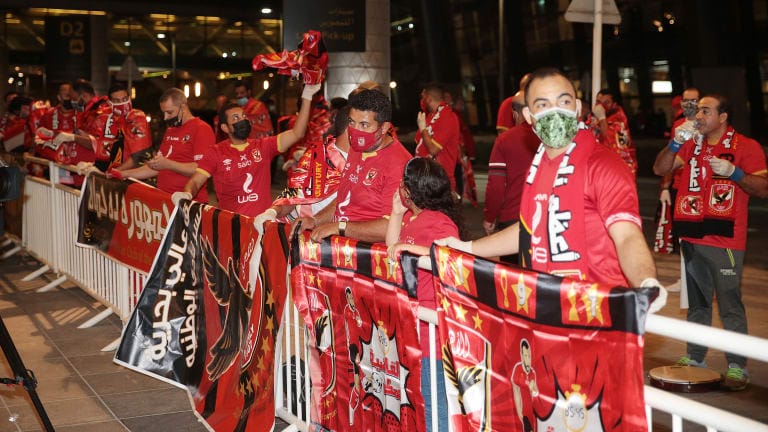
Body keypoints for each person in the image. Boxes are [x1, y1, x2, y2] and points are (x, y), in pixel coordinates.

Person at [438, 68, 665, 307]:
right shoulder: (540, 167)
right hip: (551, 308)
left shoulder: (603, 164)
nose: (555, 112)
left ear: (577, 108)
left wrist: (646, 282)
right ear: (528, 115)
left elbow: (627, 234)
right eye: (543, 105)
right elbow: (531, 229)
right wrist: (466, 247)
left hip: (596, 312)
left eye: (563, 101)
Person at [652, 94, 768, 391]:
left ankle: (737, 366)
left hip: (726, 238)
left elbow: (763, 188)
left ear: (723, 117)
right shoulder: (691, 143)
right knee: (698, 304)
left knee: (730, 304)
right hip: (691, 234)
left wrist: (735, 173)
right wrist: (675, 143)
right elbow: (660, 169)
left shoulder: (746, 146)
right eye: (698, 110)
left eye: (705, 110)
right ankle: (695, 357)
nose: (698, 115)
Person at [385, 157, 465, 432]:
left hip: (433, 337)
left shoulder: (439, 222)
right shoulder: (411, 217)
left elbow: (452, 256)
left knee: (434, 407)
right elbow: (391, 249)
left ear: (409, 189)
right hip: (413, 333)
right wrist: (396, 213)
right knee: (419, 404)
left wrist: (418, 252)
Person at [172, 83, 321, 216]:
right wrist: (187, 194)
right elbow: (196, 181)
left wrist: (307, 96)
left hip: (262, 226)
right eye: (235, 118)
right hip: (232, 228)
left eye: (243, 116)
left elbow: (297, 133)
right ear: (225, 128)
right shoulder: (216, 152)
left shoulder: (263, 146)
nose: (242, 120)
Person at [297, 89, 412, 243]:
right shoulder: (358, 148)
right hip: (342, 247)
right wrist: (316, 220)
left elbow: (392, 226)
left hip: (371, 256)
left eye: (364, 125)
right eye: (352, 122)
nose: (356, 131)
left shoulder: (398, 165)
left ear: (384, 128)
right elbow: (344, 197)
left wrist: (340, 227)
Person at [254, 105, 351, 229]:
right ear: (351, 127)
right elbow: (295, 192)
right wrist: (273, 212)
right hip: (307, 234)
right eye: (366, 125)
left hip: (346, 236)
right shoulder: (319, 155)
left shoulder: (370, 159)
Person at [113, 88, 216, 202]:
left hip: (188, 203)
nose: (165, 117)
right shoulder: (171, 130)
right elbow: (157, 167)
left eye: (169, 112)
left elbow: (202, 169)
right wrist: (122, 173)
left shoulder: (201, 129)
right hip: (165, 200)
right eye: (163, 113)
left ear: (182, 107)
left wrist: (168, 164)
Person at [483, 91, 540, 263]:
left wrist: (489, 218)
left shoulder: (504, 140)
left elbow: (496, 186)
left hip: (512, 220)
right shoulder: (550, 138)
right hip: (543, 218)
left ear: (516, 114)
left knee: (516, 281)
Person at [416, 83, 460, 195]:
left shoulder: (448, 116)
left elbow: (433, 149)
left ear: (429, 98)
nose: (421, 101)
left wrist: (423, 129)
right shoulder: (430, 116)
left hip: (439, 181)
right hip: (424, 179)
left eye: (423, 97)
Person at [591, 89, 637, 175]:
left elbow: (610, 143)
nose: (601, 106)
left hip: (618, 172)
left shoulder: (619, 122)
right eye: (598, 102)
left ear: (614, 105)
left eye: (606, 103)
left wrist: (602, 118)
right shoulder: (594, 119)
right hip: (600, 168)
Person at [511, 338, 538, 432]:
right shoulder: (518, 369)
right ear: (522, 356)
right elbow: (516, 390)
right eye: (525, 355)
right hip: (523, 412)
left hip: (532, 412)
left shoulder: (532, 373)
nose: (528, 359)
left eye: (529, 356)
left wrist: (534, 389)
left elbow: (535, 390)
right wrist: (519, 412)